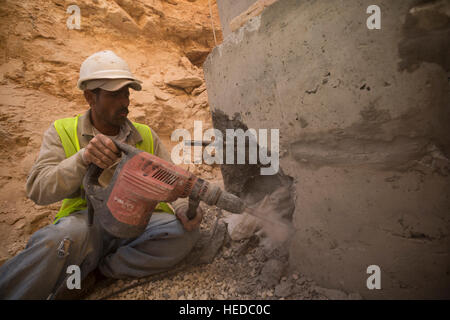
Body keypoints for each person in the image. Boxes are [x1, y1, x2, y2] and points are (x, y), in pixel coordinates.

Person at [0, 50, 202, 299]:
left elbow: (174, 181)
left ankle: (101, 272)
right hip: (87, 225)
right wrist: (83, 158)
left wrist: (182, 206)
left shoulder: (145, 135)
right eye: (114, 94)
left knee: (182, 235)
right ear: (90, 97)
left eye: (126, 93)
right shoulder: (62, 131)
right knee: (55, 242)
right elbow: (38, 189)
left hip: (137, 223)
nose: (125, 102)